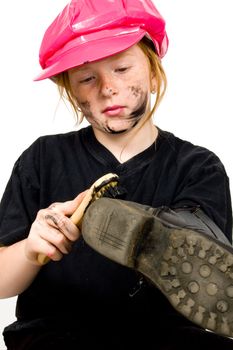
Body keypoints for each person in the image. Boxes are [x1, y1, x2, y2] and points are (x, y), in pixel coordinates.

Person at [0, 0, 232, 349]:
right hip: (56, 333)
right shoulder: (42, 159)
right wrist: (31, 248)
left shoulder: (199, 167)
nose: (107, 87)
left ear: (153, 73)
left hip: (164, 337)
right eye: (87, 78)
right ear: (71, 91)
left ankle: (178, 227)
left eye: (122, 68)